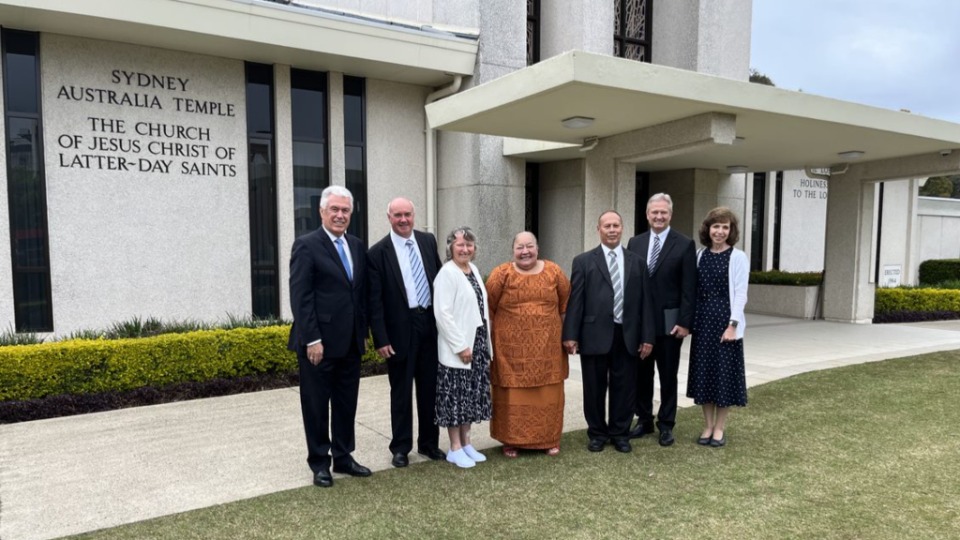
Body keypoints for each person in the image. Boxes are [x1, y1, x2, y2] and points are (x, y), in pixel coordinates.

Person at [287, 185, 372, 488]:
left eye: (345, 210)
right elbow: (301, 297)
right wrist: (312, 339)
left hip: (350, 342)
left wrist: (362, 333)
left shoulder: (357, 245)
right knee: (316, 404)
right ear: (321, 211)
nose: (340, 215)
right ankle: (320, 462)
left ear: (351, 213)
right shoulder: (306, 245)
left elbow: (359, 295)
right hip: (318, 344)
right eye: (334, 209)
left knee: (346, 403)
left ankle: (344, 457)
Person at [562, 211, 655, 453]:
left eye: (616, 225)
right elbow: (576, 301)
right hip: (594, 334)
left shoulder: (637, 262)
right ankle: (597, 433)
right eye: (607, 226)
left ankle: (620, 433)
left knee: (624, 387)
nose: (612, 229)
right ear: (598, 229)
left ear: (622, 228)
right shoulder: (583, 261)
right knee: (594, 387)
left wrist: (647, 337)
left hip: (628, 334)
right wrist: (570, 334)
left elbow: (646, 302)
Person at [367, 198, 446, 468]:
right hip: (400, 330)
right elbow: (374, 301)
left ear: (414, 215)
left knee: (430, 388)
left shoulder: (427, 240)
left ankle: (429, 443)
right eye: (398, 215)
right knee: (400, 391)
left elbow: (439, 281)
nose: (403, 220)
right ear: (389, 217)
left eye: (408, 215)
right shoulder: (378, 252)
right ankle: (401, 447)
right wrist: (381, 338)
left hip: (429, 325)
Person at [486, 231, 571, 458]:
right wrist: (488, 344)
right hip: (510, 351)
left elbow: (565, 306)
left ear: (537, 248)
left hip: (548, 349)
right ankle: (511, 441)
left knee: (549, 394)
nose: (525, 252)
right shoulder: (500, 274)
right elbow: (488, 309)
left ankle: (549, 439)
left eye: (529, 246)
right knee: (511, 394)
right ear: (513, 251)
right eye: (520, 247)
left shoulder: (554, 272)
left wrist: (569, 337)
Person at [626, 193, 697, 447]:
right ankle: (644, 420)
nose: (658, 216)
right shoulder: (635, 242)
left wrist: (685, 321)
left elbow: (690, 287)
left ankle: (666, 425)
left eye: (663, 213)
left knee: (668, 376)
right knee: (641, 375)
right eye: (654, 212)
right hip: (641, 325)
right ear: (647, 214)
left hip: (670, 325)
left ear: (670, 215)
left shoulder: (684, 244)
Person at [687, 207, 749, 448]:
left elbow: (741, 293)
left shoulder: (737, 257)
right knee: (704, 375)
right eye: (716, 226)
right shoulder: (700, 255)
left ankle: (720, 428)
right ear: (707, 229)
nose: (720, 231)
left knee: (723, 377)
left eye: (725, 227)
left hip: (725, 323)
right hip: (703, 323)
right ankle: (708, 425)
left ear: (731, 231)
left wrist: (732, 325)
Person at [433, 226, 493, 468]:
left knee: (470, 396)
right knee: (455, 397)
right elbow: (442, 314)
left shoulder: (473, 270)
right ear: (450, 248)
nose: (465, 249)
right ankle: (454, 448)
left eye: (469, 245)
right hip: (458, 346)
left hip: (477, 342)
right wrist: (460, 346)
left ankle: (467, 443)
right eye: (460, 245)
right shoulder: (447, 274)